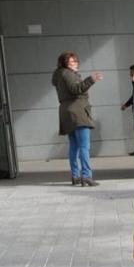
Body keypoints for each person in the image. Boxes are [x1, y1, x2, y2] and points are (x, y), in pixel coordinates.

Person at [52, 51, 102, 187]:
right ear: (65, 63)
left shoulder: (60, 75)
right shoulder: (67, 74)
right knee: (84, 146)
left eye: (76, 61)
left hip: (67, 113)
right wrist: (91, 79)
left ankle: (75, 175)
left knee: (74, 146)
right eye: (71, 62)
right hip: (77, 113)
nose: (75, 64)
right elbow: (76, 89)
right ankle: (86, 176)